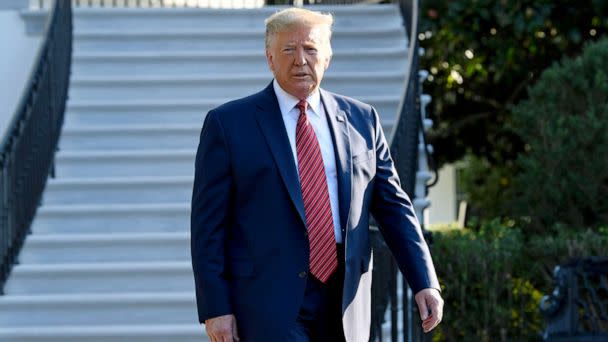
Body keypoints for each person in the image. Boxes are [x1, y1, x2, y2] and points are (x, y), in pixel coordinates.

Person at [190, 7, 443, 342]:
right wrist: (215, 307)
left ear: (328, 57)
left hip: (345, 297)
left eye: (310, 49)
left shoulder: (362, 120)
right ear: (269, 58)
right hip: (267, 302)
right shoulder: (228, 124)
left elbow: (395, 208)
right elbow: (208, 228)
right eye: (288, 50)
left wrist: (425, 280)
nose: (300, 60)